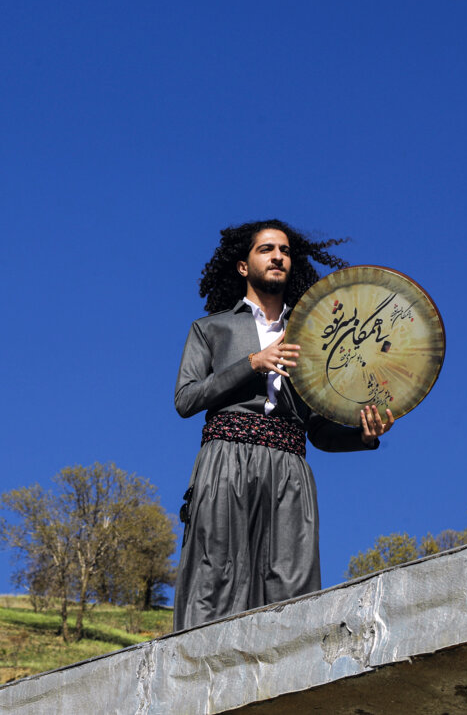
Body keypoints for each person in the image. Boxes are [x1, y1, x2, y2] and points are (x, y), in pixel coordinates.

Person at [172, 219, 394, 631]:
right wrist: (252, 363)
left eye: (285, 251)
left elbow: (318, 430)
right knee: (213, 580)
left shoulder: (317, 337)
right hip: (225, 460)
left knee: (292, 586)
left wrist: (362, 437)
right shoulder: (210, 329)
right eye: (267, 249)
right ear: (243, 266)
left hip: (290, 467)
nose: (278, 256)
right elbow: (185, 400)